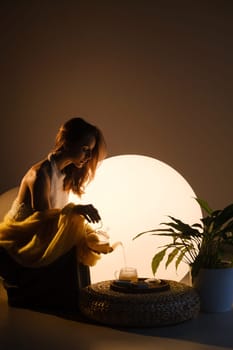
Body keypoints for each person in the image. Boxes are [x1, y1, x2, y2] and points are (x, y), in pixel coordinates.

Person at [0, 117, 114, 311]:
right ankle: (73, 302)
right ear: (66, 142)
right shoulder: (40, 174)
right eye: (85, 149)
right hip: (24, 238)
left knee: (83, 235)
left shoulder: (63, 174)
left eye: (91, 151)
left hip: (42, 232)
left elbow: (56, 220)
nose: (88, 156)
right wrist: (76, 211)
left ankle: (82, 299)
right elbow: (42, 220)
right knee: (76, 228)